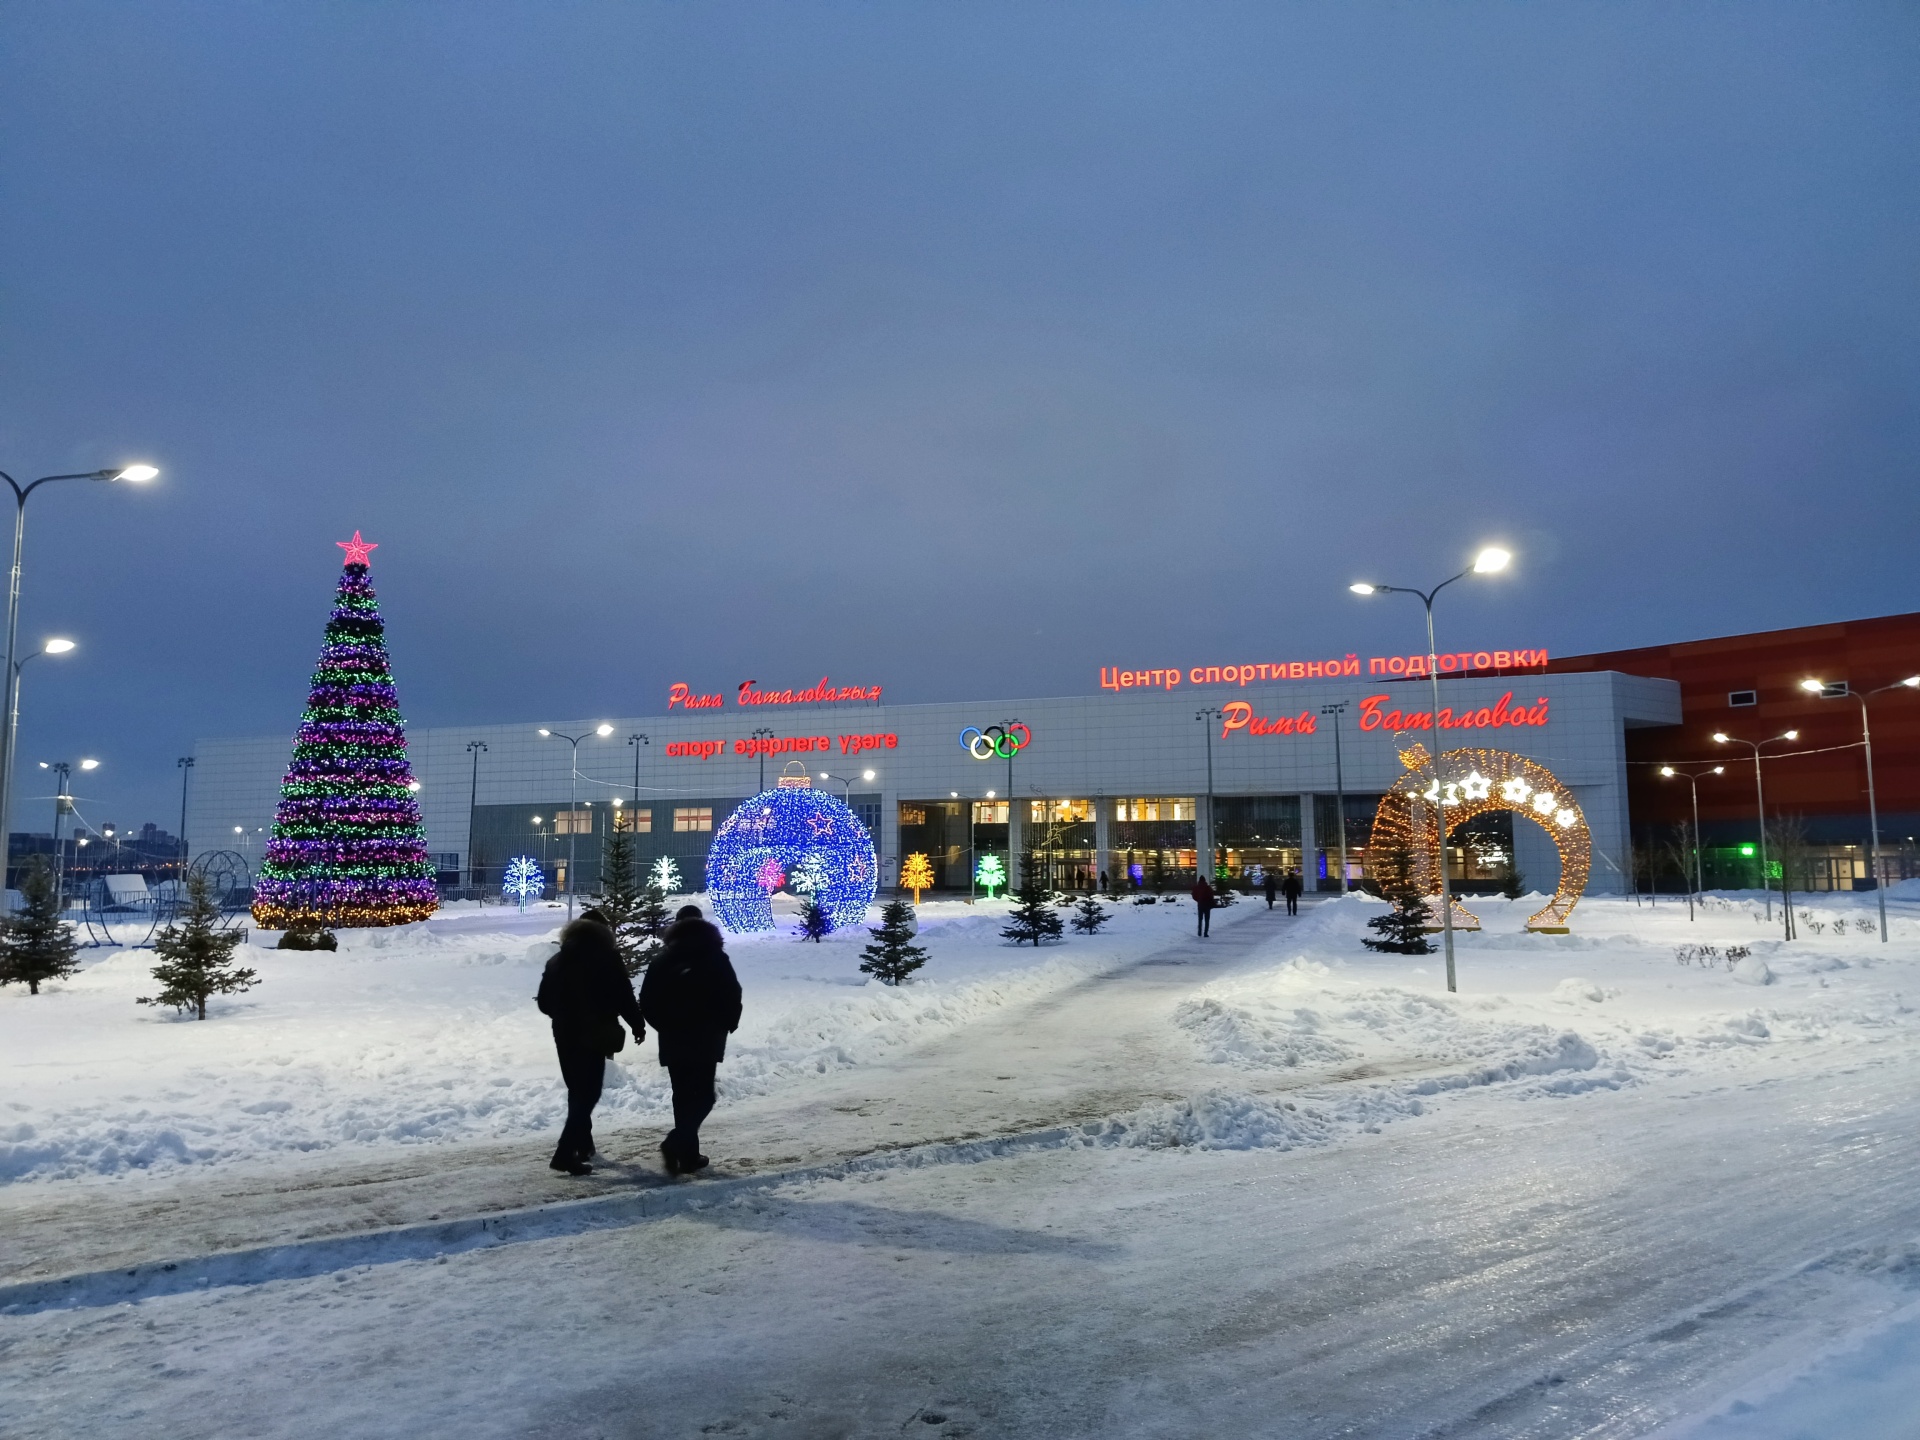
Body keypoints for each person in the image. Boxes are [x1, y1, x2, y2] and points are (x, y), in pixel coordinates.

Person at [535, 908, 645, 1177]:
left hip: (563, 1031)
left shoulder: (557, 960)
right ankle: (564, 1152)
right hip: (595, 1030)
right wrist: (637, 1024)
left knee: (577, 1089)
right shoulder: (607, 958)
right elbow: (623, 994)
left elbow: (544, 1001)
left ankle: (582, 1145)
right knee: (589, 1092)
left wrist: (562, 1015)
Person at [639, 904, 742, 1175]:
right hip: (706, 1038)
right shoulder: (715, 956)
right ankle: (678, 1144)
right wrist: (726, 1024)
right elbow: (733, 993)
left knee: (682, 1095)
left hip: (674, 1038)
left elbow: (647, 1000)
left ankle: (687, 1154)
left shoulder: (663, 960)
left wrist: (664, 1026)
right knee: (704, 1096)